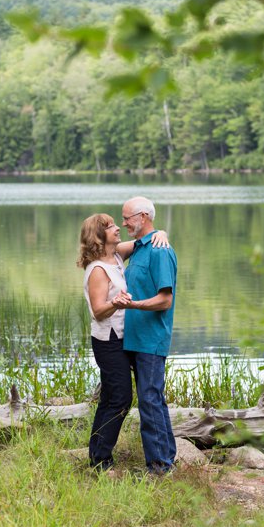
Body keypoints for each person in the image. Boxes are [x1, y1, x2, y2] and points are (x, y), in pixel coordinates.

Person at [76, 211, 169, 472]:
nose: (118, 228)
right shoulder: (97, 269)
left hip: (124, 338)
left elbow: (146, 239)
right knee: (118, 399)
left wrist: (162, 234)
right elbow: (98, 311)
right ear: (99, 236)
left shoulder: (116, 254)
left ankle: (99, 455)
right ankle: (100, 459)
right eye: (111, 226)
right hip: (108, 342)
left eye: (118, 224)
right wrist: (114, 304)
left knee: (115, 397)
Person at [110, 196, 179, 475]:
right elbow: (107, 247)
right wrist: (158, 231)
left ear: (142, 217)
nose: (123, 223)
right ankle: (165, 459)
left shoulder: (160, 252)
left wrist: (134, 305)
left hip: (151, 339)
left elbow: (165, 300)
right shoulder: (140, 247)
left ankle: (160, 466)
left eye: (127, 218)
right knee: (152, 399)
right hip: (133, 338)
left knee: (150, 399)